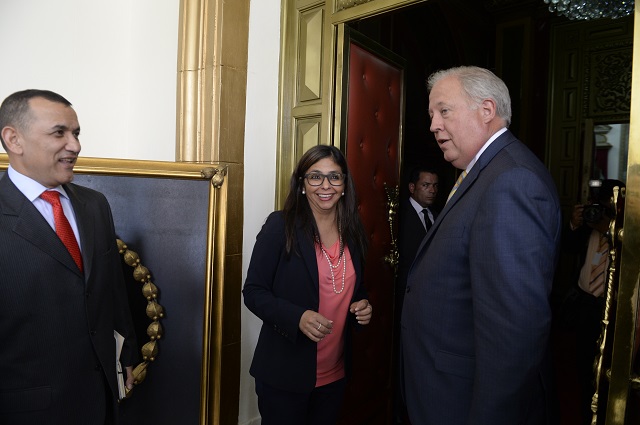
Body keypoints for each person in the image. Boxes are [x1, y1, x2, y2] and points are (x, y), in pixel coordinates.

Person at [401, 66, 562, 425]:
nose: (433, 125)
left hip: (466, 404)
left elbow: (513, 334)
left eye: (444, 110)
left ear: (486, 110)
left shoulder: (512, 181)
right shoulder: (483, 173)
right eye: (431, 115)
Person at [0, 89, 138, 425]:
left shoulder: (94, 205)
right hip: (27, 408)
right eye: (59, 133)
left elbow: (112, 289)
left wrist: (127, 355)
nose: (74, 145)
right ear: (13, 139)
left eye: (76, 134)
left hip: (101, 396)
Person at [243, 145, 372, 425]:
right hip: (285, 374)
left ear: (345, 184)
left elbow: (352, 288)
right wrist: (297, 317)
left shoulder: (353, 230)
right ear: (302, 184)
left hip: (335, 373)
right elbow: (253, 292)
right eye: (315, 177)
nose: (325, 185)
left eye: (334, 177)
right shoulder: (281, 226)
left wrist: (362, 306)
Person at [558, 178, 625, 424]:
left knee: (608, 367)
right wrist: (575, 225)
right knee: (583, 364)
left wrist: (608, 227)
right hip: (585, 304)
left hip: (612, 308)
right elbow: (568, 248)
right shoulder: (588, 221)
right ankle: (587, 413)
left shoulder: (624, 228)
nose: (598, 211)